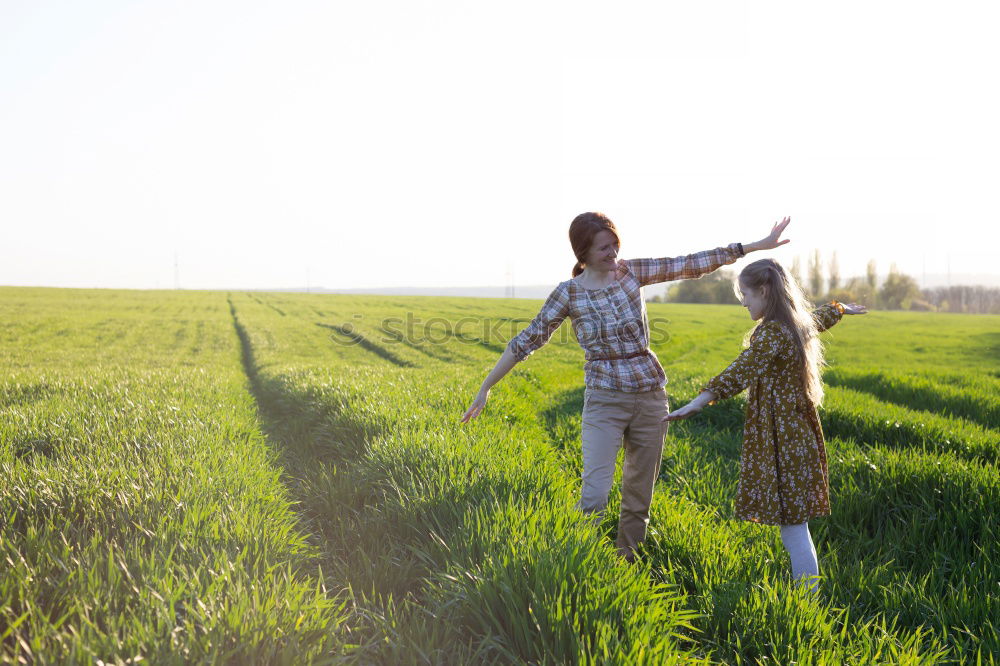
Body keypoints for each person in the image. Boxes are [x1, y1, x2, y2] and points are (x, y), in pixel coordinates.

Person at [461, 211, 792, 561]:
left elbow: (689, 264)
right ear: (582, 253)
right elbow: (526, 341)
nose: (613, 252)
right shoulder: (569, 294)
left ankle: (625, 564)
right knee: (594, 496)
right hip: (604, 401)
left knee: (638, 500)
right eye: (604, 247)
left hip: (650, 398)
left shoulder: (631, 272)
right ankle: (575, 564)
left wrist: (753, 246)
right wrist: (486, 387)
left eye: (615, 243)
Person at [665, 258, 867, 587]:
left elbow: (742, 368)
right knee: (794, 523)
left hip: (783, 439)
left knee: (793, 526)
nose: (742, 301)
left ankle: (807, 600)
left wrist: (700, 401)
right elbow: (818, 319)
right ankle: (807, 595)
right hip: (796, 434)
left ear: (764, 290)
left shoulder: (773, 332)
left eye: (745, 294)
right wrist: (840, 308)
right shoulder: (795, 324)